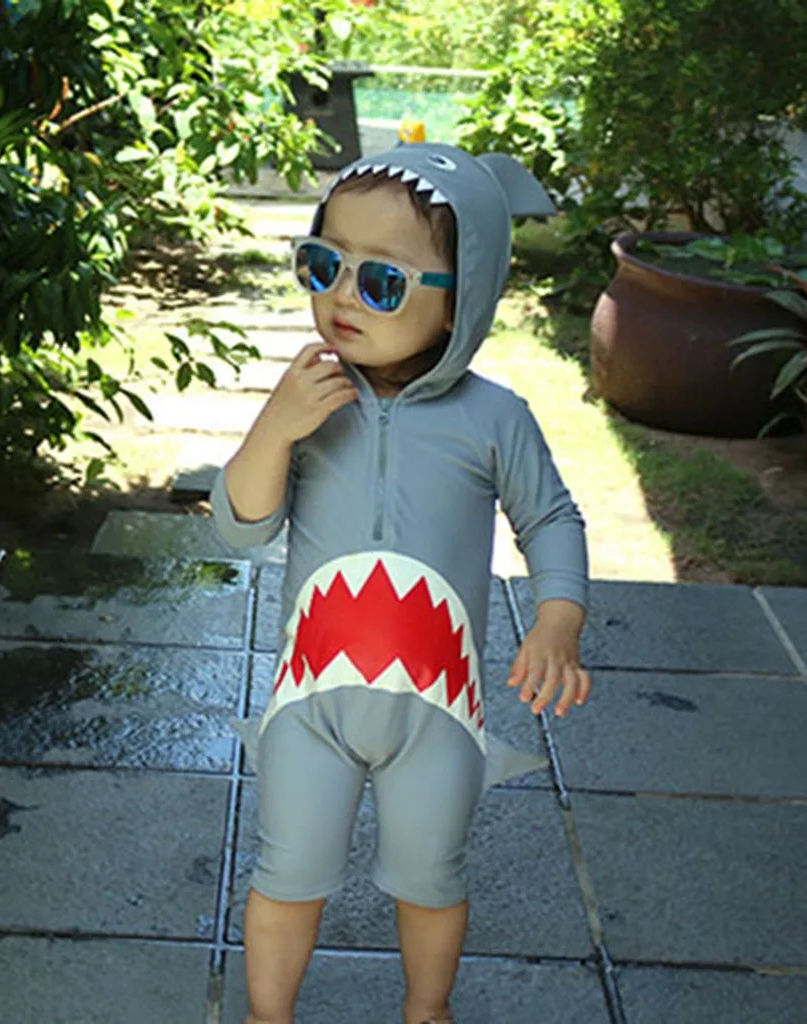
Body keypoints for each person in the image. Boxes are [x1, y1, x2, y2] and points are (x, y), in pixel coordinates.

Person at [210, 142, 591, 1024]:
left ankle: (428, 1010)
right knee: (286, 870)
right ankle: (267, 1016)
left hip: (439, 714)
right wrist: (274, 429)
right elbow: (242, 526)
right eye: (324, 264)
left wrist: (558, 619)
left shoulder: (494, 419)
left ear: (464, 297)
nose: (343, 295)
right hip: (310, 705)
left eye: (381, 281)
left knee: (431, 877)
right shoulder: (310, 398)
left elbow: (551, 518)